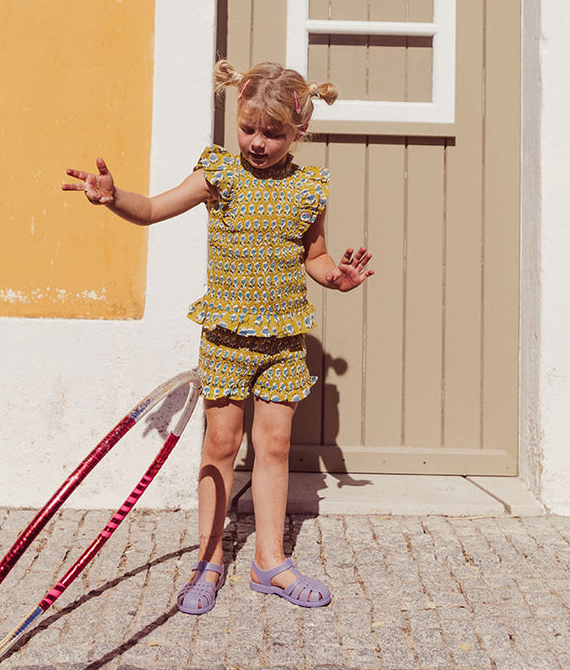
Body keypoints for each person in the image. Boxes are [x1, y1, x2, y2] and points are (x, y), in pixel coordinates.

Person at [62, 60, 374, 615]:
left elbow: (317, 256)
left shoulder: (309, 187)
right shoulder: (219, 175)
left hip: (282, 338)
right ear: (237, 118)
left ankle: (270, 561)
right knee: (221, 444)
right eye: (249, 127)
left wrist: (337, 279)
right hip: (227, 337)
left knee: (274, 445)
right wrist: (114, 198)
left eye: (274, 133)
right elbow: (155, 208)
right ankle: (208, 560)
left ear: (298, 132)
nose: (258, 142)